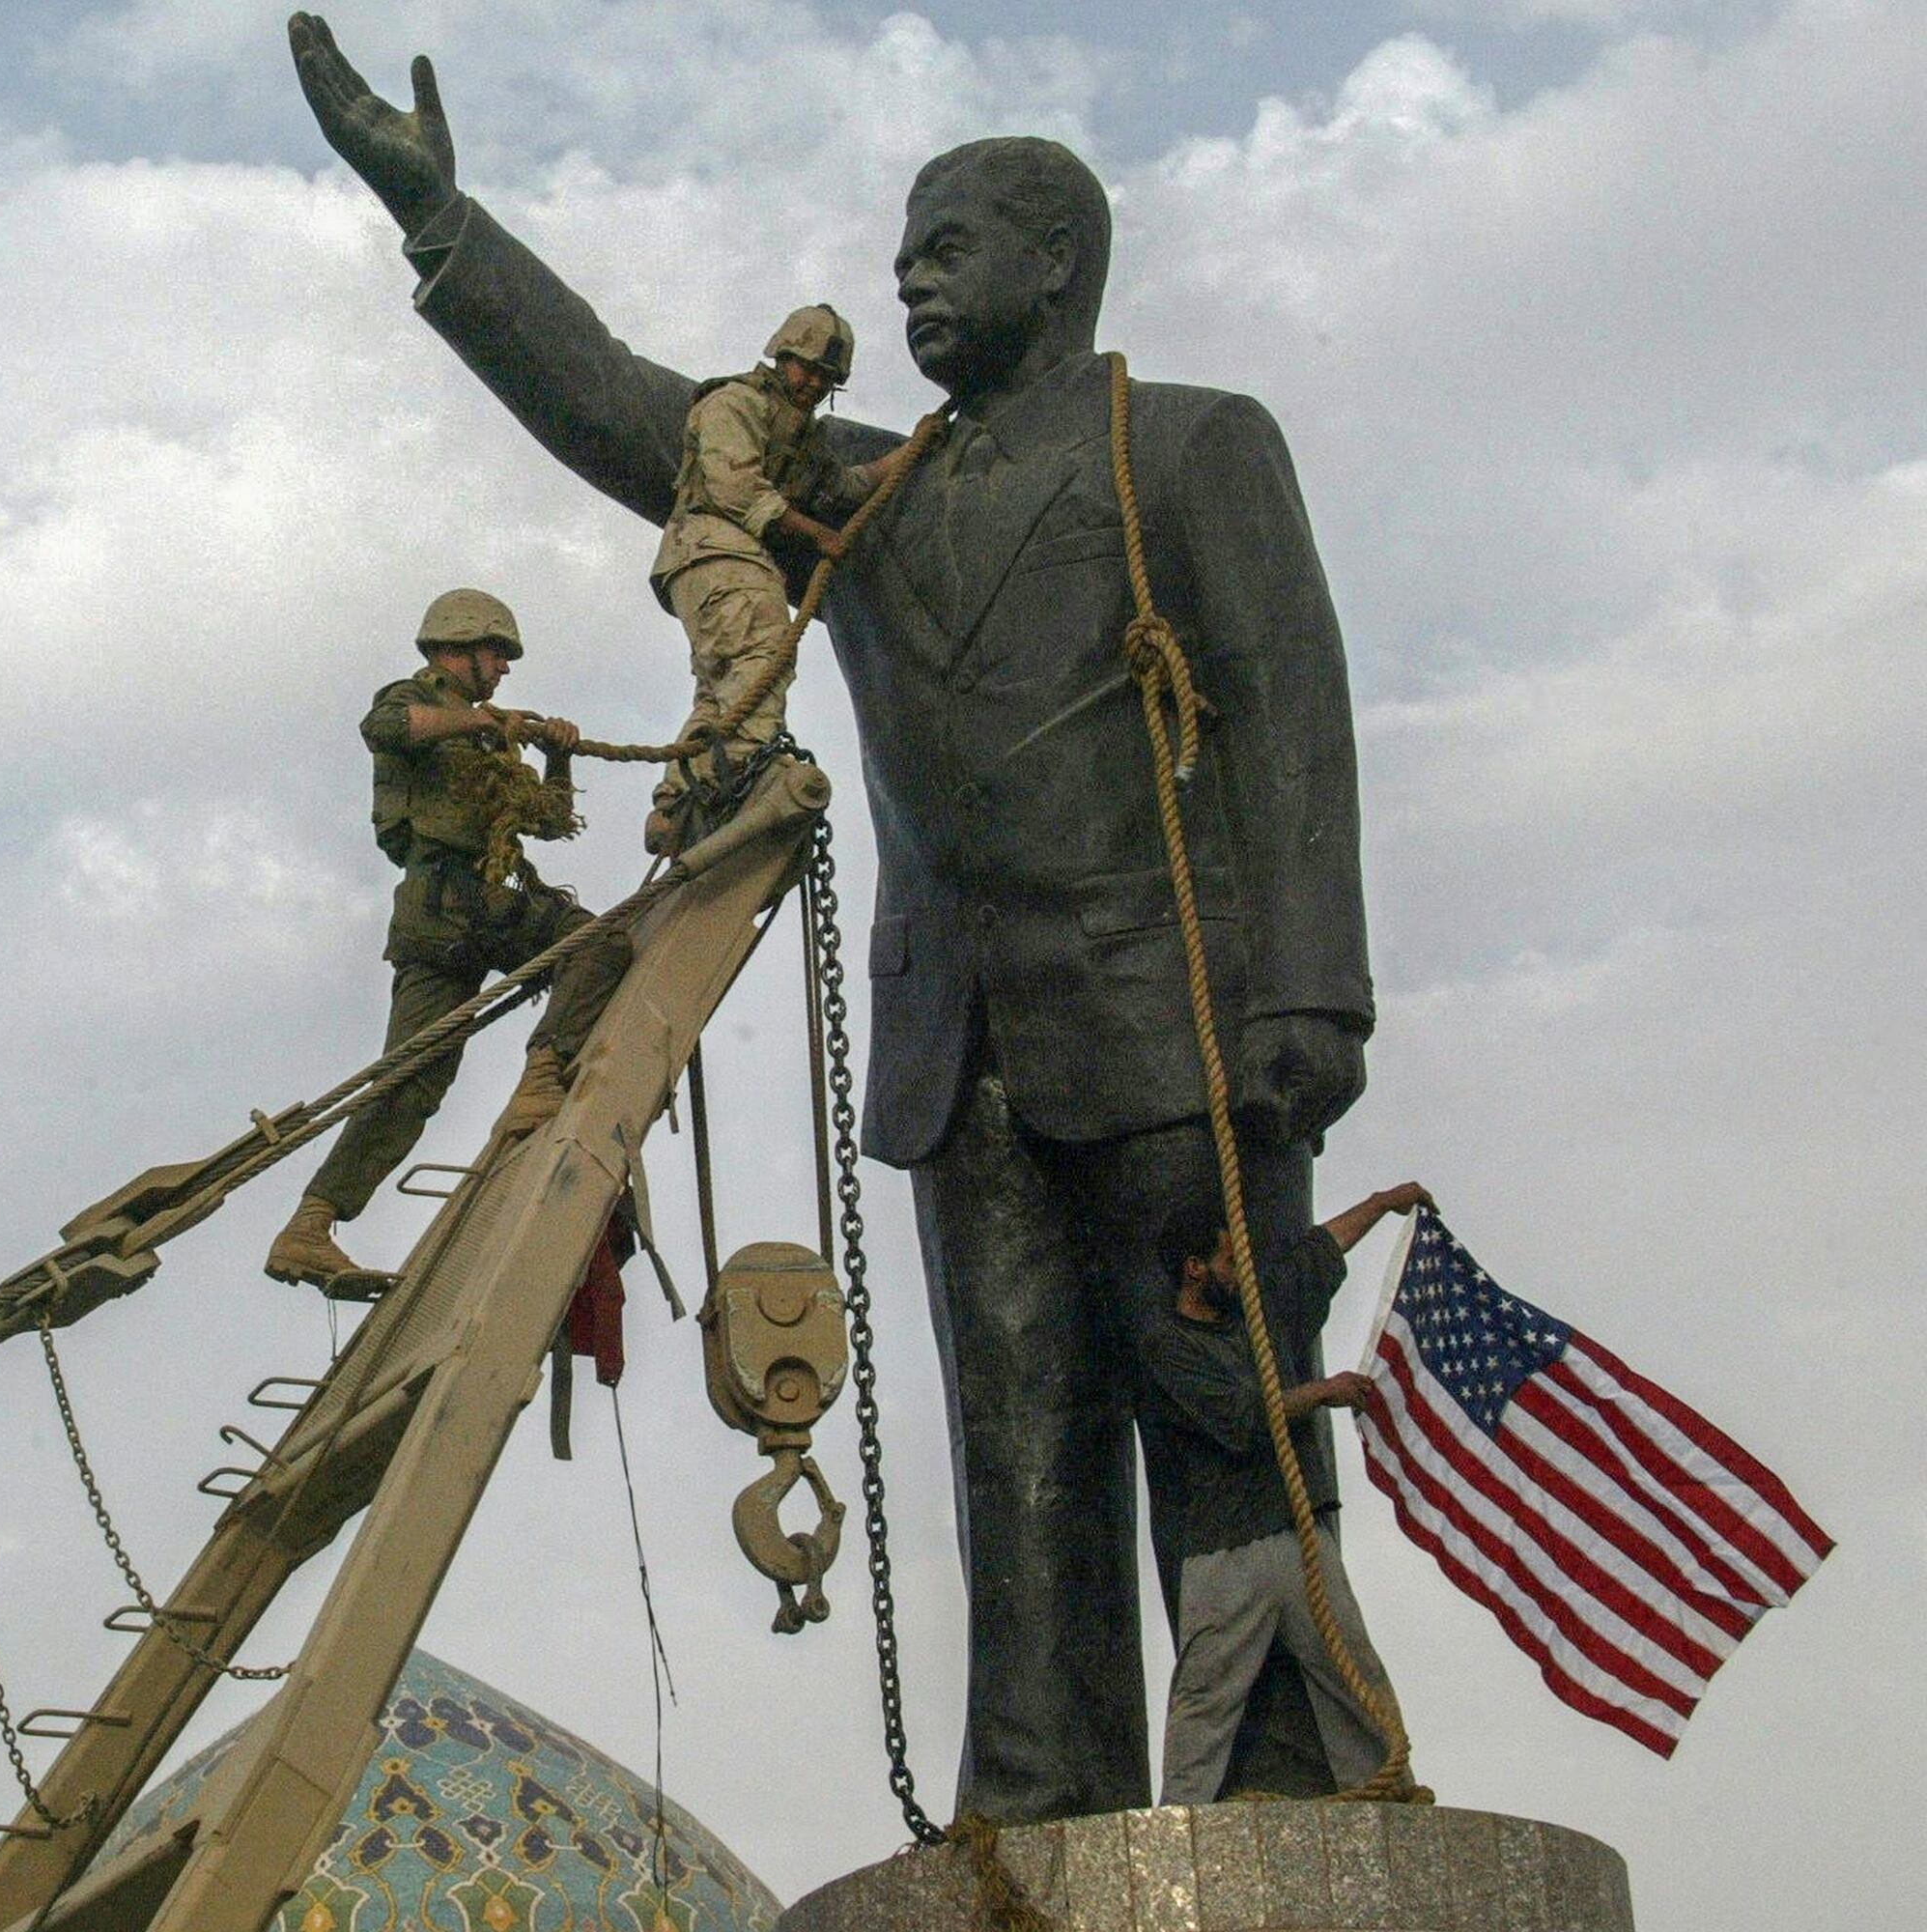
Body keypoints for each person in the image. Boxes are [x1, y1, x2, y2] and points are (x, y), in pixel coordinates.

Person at [293, 17, 1375, 1820]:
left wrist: (1311, 1003)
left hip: (1181, 1016)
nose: (909, 284)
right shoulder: (854, 498)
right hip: (964, 1049)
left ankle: (1278, 1776)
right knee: (1013, 1444)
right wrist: (445, 229)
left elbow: (1292, 713)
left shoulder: (1187, 450)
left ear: (1059, 262)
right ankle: (1041, 1800)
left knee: (1220, 1400)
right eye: (899, 259)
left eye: (948, 252)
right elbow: (643, 414)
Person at [264, 588, 633, 1293]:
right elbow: (387, 726)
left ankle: (309, 1225)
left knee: (408, 1082)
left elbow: (549, 822)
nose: (502, 669)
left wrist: (556, 756)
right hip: (452, 899)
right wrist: (486, 722)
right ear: (457, 649)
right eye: (496, 654)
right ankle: (543, 1075)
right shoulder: (418, 703)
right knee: (599, 945)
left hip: (448, 911)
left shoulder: (484, 732)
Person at [1140, 1183, 1426, 1803]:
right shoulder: (1166, 1345)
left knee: (1353, 1672)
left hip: (1297, 1536)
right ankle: (1180, 1820)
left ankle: (1387, 1798)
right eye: (1227, 1260)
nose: (1240, 1270)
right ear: (1194, 1271)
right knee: (1206, 1694)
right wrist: (1321, 1392)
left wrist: (1380, 1203)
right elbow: (1240, 1418)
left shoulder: (1263, 1308)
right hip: (1224, 1549)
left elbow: (1319, 1254)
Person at [645, 305, 874, 855]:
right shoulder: (734, 403)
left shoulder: (800, 436)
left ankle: (677, 804)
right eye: (807, 369)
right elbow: (735, 488)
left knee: (722, 685)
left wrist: (918, 447)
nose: (814, 384)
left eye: (826, 378)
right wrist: (820, 536)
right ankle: (728, 783)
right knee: (766, 656)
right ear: (783, 356)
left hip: (726, 557)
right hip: (712, 547)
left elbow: (846, 485)